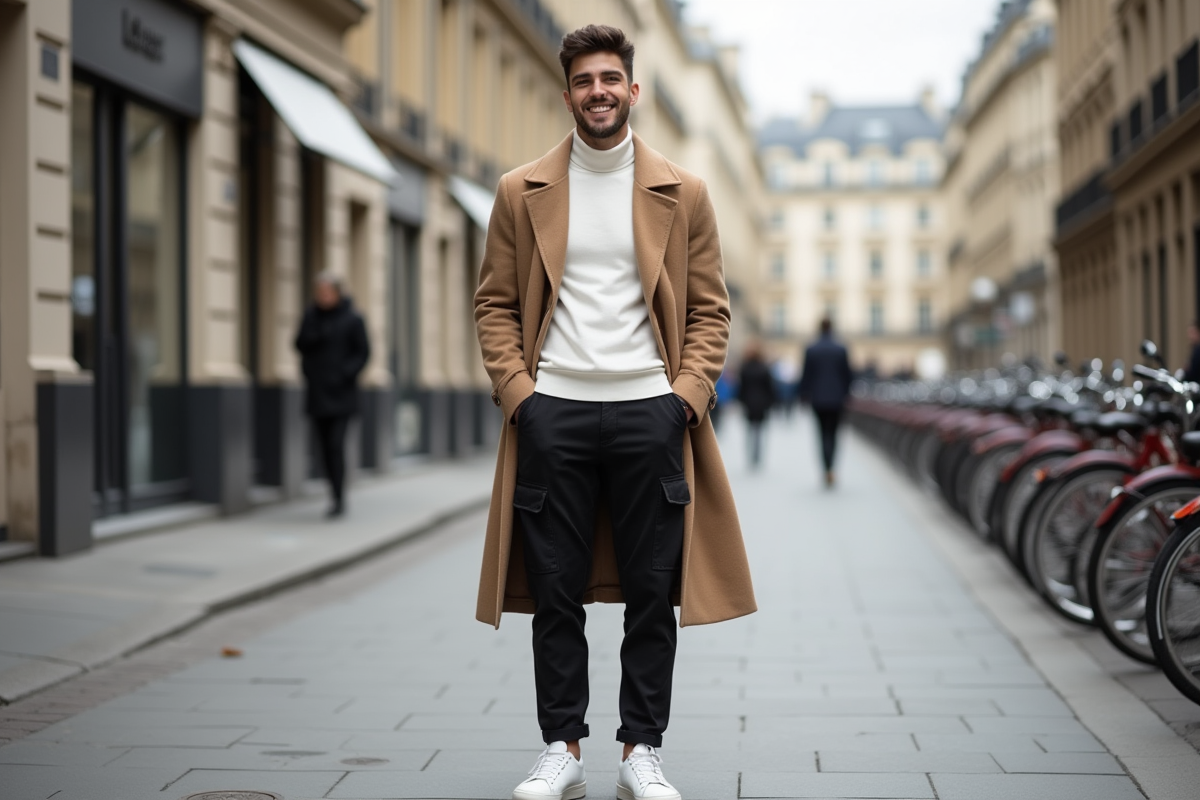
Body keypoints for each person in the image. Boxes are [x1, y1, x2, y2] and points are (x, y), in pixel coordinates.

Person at [473, 24, 756, 800]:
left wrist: (685, 401)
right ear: (565, 94)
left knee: (651, 591)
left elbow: (709, 312)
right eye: (584, 81)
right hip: (553, 411)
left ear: (633, 91)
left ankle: (641, 750)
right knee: (554, 590)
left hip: (649, 415)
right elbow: (494, 305)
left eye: (611, 79)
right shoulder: (519, 190)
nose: (598, 91)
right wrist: (519, 396)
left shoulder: (684, 192)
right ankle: (560, 747)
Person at [294, 272, 370, 518]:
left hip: (342, 395)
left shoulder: (353, 319)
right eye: (320, 293)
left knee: (336, 445)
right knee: (323, 448)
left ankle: (339, 498)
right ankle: (332, 491)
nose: (323, 297)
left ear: (338, 293)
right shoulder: (311, 316)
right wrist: (314, 336)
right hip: (317, 393)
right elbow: (299, 344)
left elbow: (363, 353)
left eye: (327, 292)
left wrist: (345, 374)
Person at [798, 318, 852, 487]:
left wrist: (803, 396)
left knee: (822, 434)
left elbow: (806, 375)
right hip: (837, 399)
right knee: (834, 434)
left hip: (818, 398)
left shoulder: (811, 349)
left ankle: (826, 468)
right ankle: (831, 468)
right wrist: (846, 393)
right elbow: (848, 375)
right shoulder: (841, 348)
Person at [736, 344, 777, 468]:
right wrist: (771, 402)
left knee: (749, 430)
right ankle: (757, 455)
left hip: (748, 403)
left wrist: (740, 400)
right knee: (759, 430)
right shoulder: (764, 368)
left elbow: (741, 387)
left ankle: (750, 454)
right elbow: (770, 387)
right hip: (762, 404)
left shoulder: (745, 368)